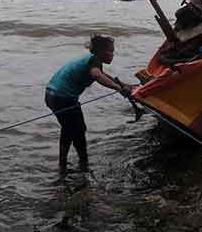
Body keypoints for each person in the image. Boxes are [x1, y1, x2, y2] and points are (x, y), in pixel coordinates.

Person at [45, 35, 137, 175]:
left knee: (69, 129)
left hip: (52, 95)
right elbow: (97, 76)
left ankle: (63, 164)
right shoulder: (94, 61)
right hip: (62, 98)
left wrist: (123, 85)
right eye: (111, 51)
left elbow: (103, 74)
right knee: (79, 130)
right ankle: (83, 163)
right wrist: (118, 89)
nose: (113, 54)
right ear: (101, 52)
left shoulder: (92, 60)